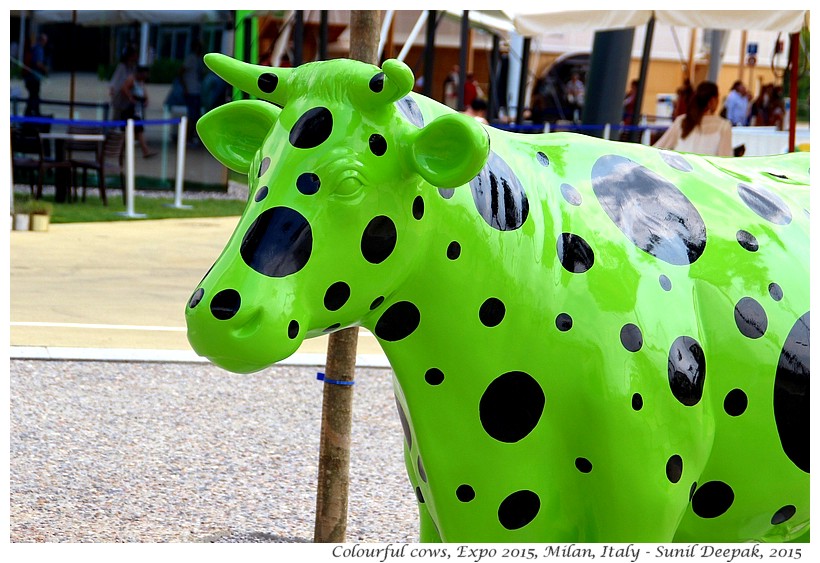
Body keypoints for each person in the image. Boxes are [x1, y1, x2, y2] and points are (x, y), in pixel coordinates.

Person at [653, 81, 733, 157]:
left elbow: (658, 147)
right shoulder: (724, 126)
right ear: (713, 100)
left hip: (680, 170)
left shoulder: (681, 121)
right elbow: (725, 160)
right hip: (704, 171)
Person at [119, 65, 157, 158]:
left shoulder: (141, 82)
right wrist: (130, 97)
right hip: (130, 109)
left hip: (138, 109)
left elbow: (143, 92)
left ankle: (144, 150)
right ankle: (143, 150)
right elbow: (124, 88)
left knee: (137, 131)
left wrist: (146, 99)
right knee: (133, 130)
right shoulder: (132, 79)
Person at [180, 40, 205, 143]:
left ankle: (193, 136)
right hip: (191, 91)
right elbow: (181, 72)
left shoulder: (198, 59)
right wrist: (185, 87)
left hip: (197, 91)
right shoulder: (190, 58)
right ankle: (188, 137)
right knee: (192, 115)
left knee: (196, 115)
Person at [109, 45, 138, 121]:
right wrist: (112, 90)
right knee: (117, 116)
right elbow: (115, 82)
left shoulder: (132, 67)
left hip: (127, 96)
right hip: (119, 96)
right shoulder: (122, 67)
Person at [24, 33, 48, 116]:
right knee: (35, 96)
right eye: (45, 41)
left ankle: (29, 113)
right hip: (34, 78)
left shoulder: (33, 48)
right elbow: (38, 63)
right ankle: (34, 114)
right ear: (42, 40)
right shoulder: (39, 49)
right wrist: (45, 69)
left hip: (29, 78)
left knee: (32, 96)